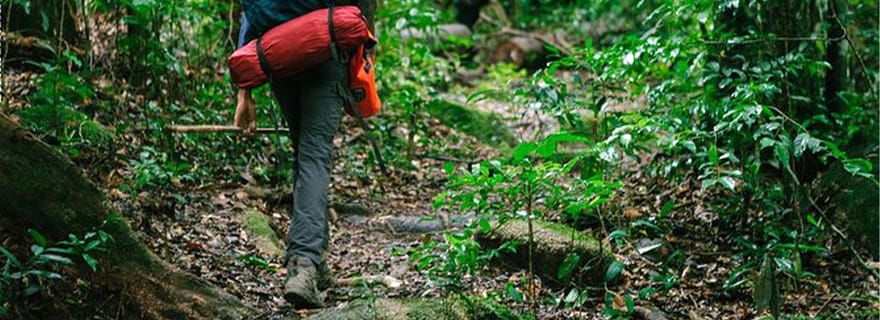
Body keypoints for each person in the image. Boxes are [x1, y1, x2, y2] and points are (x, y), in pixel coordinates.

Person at [233, 1, 375, 309]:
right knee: (314, 155)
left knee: (304, 154)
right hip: (326, 56)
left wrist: (244, 92)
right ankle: (304, 265)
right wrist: (364, 56)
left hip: (280, 58)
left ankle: (314, 262)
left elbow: (251, 14)